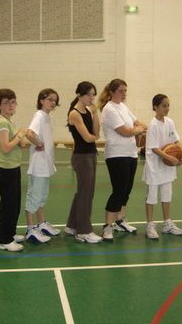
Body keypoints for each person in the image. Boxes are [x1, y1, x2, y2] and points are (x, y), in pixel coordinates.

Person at [98, 79, 146, 241]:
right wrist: (137, 130)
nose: (124, 93)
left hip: (131, 153)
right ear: (112, 92)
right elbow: (124, 131)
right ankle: (107, 226)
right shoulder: (109, 109)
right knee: (118, 191)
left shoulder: (123, 107)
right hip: (116, 155)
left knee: (127, 190)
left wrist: (140, 128)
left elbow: (137, 122)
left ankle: (120, 220)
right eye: (121, 91)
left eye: (125, 90)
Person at [142, 94, 182, 239]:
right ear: (155, 107)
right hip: (154, 167)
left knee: (167, 195)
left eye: (168, 105)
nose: (167, 108)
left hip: (167, 167)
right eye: (164, 106)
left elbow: (176, 140)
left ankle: (167, 223)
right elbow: (154, 148)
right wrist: (170, 158)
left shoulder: (170, 122)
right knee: (152, 198)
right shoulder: (153, 125)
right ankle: (150, 226)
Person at [65, 82, 102, 244]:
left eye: (93, 94)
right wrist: (93, 138)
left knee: (85, 192)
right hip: (81, 157)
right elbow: (88, 137)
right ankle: (83, 231)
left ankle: (72, 225)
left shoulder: (88, 110)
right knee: (85, 194)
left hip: (90, 154)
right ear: (79, 95)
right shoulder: (74, 114)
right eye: (88, 94)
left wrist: (95, 113)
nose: (92, 97)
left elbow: (96, 133)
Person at [0, 89, 28, 251]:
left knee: (14, 204)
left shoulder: (9, 122)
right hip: (5, 169)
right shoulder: (2, 122)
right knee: (8, 205)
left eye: (13, 101)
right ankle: (4, 240)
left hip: (13, 167)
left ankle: (10, 233)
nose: (10, 105)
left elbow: (15, 143)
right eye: (6, 102)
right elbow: (6, 147)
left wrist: (20, 139)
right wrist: (20, 136)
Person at [24, 88, 61, 243]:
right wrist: (39, 143)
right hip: (38, 165)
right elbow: (29, 133)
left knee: (42, 195)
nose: (52, 102)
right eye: (49, 99)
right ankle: (30, 229)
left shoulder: (46, 116)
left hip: (46, 164)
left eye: (54, 100)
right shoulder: (39, 115)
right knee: (34, 196)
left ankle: (41, 224)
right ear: (41, 100)